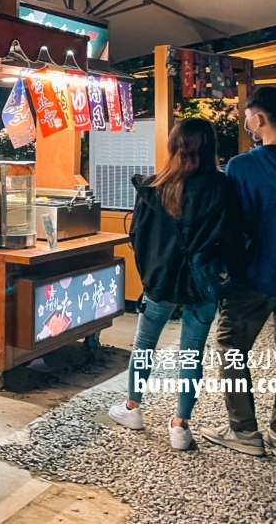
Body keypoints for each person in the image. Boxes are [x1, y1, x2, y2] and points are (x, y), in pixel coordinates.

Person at [201, 87, 276, 461]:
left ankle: (244, 431)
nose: (244, 120)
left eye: (245, 114)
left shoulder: (242, 166)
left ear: (258, 119)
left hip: (254, 276)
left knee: (232, 348)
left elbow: (235, 226)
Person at [109, 118, 242, 451]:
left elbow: (138, 237)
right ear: (211, 147)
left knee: (144, 347)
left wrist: (150, 274)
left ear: (173, 145)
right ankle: (180, 426)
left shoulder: (154, 187)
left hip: (161, 281)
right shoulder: (222, 187)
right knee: (191, 355)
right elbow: (233, 238)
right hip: (204, 281)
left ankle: (132, 408)